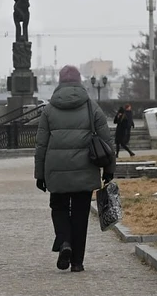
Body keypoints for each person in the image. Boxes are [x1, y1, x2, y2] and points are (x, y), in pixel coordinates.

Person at [34, 64, 114, 272]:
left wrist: (40, 174)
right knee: (80, 214)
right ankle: (77, 262)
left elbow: (41, 145)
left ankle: (65, 242)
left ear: (60, 83)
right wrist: (109, 169)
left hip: (56, 169)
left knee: (58, 208)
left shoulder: (49, 110)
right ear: (80, 82)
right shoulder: (91, 107)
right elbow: (107, 141)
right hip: (85, 168)